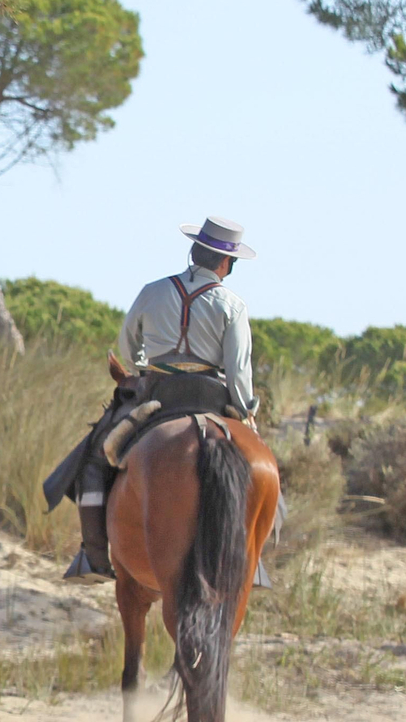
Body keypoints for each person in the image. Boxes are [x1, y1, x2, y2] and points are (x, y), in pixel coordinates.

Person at [48, 216, 258, 582]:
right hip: (213, 394)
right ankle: (255, 561)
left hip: (157, 393)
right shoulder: (233, 305)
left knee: (96, 457)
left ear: (194, 252)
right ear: (226, 263)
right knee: (255, 465)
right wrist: (246, 410)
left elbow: (129, 345)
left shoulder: (153, 290)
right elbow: (238, 371)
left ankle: (93, 555)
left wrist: (142, 367)